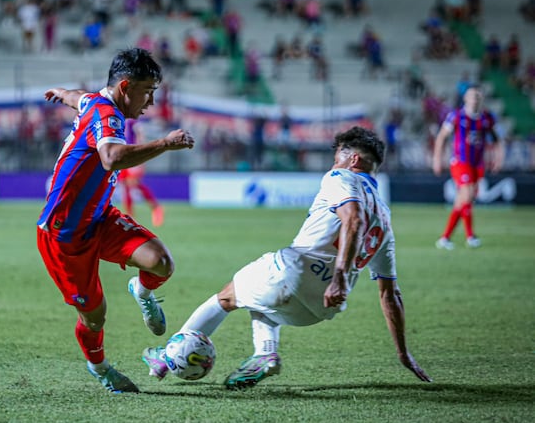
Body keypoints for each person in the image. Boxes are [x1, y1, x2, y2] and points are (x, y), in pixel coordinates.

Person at [142, 127, 432, 389]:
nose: (334, 164)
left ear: (353, 159)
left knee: (226, 297)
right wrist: (403, 352)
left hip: (296, 271)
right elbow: (390, 294)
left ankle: (167, 358)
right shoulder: (384, 216)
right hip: (322, 308)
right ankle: (264, 353)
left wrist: (340, 277)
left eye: (336, 158)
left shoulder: (340, 177)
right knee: (261, 302)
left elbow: (352, 220)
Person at [37, 48, 195, 394]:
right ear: (125, 86)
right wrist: (166, 143)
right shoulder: (108, 116)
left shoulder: (94, 101)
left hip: (99, 218)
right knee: (95, 316)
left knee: (161, 263)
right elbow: (110, 157)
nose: (151, 102)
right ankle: (101, 368)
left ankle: (141, 290)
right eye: (147, 92)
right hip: (64, 237)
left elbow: (78, 97)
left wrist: (61, 93)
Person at [432, 85, 502, 249]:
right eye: (472, 96)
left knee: (463, 200)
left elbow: (497, 140)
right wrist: (437, 159)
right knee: (468, 193)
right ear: (465, 99)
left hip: (478, 164)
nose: (475, 99)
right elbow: (441, 137)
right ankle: (470, 236)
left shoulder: (487, 118)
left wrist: (498, 159)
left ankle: (445, 238)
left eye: (478, 96)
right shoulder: (456, 116)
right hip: (460, 162)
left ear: (481, 99)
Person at [119, 119, 165, 227]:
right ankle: (130, 216)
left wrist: (140, 157)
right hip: (122, 154)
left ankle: (156, 207)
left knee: (132, 183)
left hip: (133, 154)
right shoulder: (119, 116)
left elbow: (140, 135)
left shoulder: (131, 120)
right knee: (125, 185)